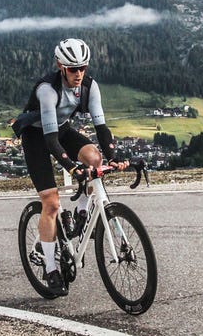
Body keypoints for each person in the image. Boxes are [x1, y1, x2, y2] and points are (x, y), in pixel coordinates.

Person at [16, 38, 125, 297]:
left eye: (83, 68)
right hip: (37, 137)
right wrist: (71, 167)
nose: (79, 74)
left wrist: (113, 157)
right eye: (73, 69)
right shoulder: (47, 90)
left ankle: (81, 212)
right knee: (51, 204)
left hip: (61, 128)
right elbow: (50, 140)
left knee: (94, 159)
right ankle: (51, 269)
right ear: (60, 66)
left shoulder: (89, 86)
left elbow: (101, 127)